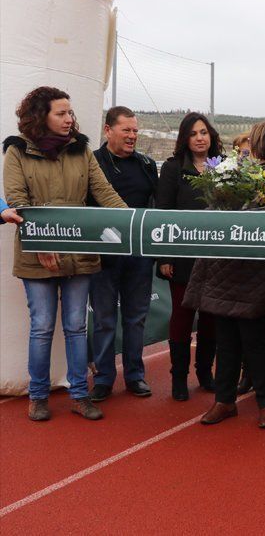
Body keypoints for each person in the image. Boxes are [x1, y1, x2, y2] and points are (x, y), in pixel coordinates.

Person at [2, 86, 127, 422]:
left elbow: (104, 192)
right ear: (41, 115)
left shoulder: (82, 151)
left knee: (75, 326)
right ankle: (38, 396)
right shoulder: (16, 152)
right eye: (61, 113)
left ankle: (79, 394)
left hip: (80, 256)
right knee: (42, 327)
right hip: (35, 256)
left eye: (70, 112)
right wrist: (41, 243)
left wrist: (131, 220)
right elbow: (17, 202)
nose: (70, 118)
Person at [185, 120, 265, 429]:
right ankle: (225, 400)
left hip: (256, 270)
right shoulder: (237, 171)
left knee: (253, 338)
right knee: (228, 339)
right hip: (227, 268)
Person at [87, 106, 158, 403]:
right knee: (103, 319)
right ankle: (103, 378)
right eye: (126, 130)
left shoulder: (146, 164)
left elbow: (156, 208)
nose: (132, 136)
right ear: (108, 130)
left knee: (136, 318)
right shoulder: (91, 163)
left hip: (138, 257)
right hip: (103, 257)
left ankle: (134, 375)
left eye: (135, 131)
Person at [156, 112, 222, 401]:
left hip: (215, 257)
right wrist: (164, 258)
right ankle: (178, 378)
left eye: (204, 132)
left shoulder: (224, 168)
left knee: (211, 318)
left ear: (211, 136)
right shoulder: (172, 169)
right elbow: (164, 212)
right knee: (182, 316)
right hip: (182, 256)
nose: (199, 138)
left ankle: (205, 373)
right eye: (194, 133)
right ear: (185, 138)